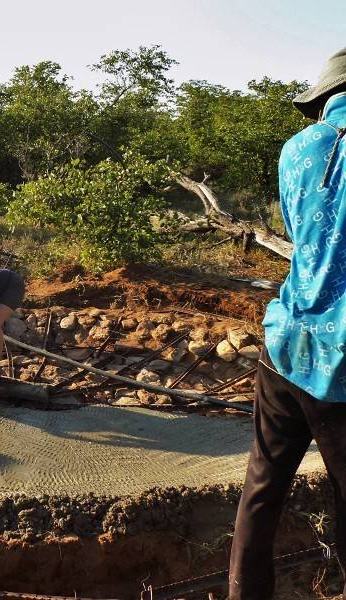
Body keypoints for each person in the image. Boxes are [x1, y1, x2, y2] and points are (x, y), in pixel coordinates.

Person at [228, 47, 346, 600]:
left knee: (262, 488)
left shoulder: (296, 149)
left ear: (323, 99)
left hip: (287, 340)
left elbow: (303, 236)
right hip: (343, 360)